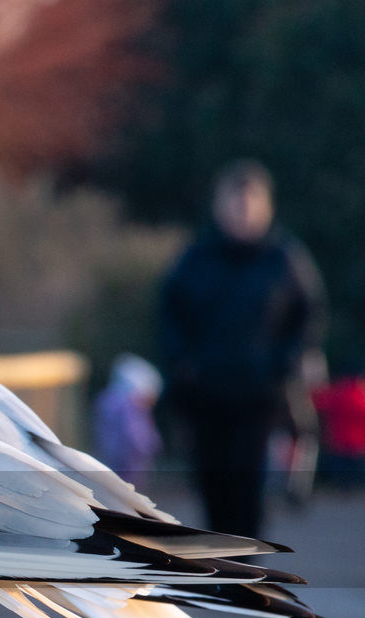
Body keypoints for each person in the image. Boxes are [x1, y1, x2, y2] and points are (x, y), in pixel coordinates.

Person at [157, 160, 327, 537]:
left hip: (261, 399)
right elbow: (170, 314)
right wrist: (185, 365)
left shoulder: (284, 259)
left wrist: (285, 364)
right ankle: (220, 579)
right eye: (236, 202)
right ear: (220, 206)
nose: (243, 211)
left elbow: (308, 316)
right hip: (206, 396)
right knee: (213, 491)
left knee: (249, 495)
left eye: (251, 203)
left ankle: (247, 579)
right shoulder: (195, 259)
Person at [92, 353, 163, 492]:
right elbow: (137, 433)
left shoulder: (107, 399)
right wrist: (151, 444)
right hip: (129, 459)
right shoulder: (131, 406)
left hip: (110, 456)